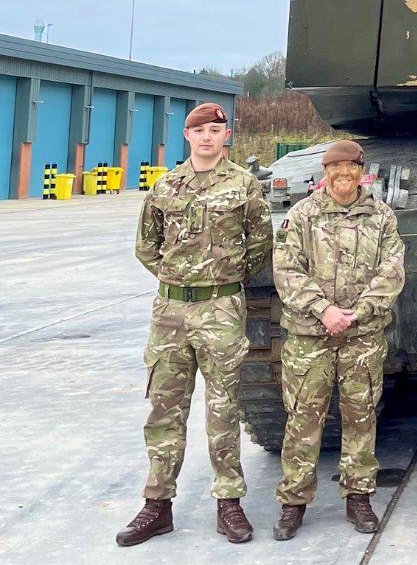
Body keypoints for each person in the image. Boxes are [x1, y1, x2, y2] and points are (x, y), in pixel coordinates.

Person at [117, 103, 272, 547]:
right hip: (170, 312)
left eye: (215, 129)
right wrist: (180, 281)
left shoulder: (243, 184)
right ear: (187, 135)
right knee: (165, 408)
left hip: (221, 307)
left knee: (223, 407)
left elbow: (261, 245)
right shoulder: (166, 186)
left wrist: (220, 283)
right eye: (199, 129)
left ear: (227, 136)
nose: (207, 137)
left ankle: (229, 502)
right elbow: (146, 247)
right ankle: (157, 503)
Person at [271, 139, 405, 541]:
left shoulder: (381, 216)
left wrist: (359, 311)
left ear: (362, 170)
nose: (343, 173)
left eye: (350, 166)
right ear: (324, 172)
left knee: (361, 416)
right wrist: (323, 310)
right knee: (302, 419)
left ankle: (359, 496)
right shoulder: (302, 215)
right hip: (311, 336)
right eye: (335, 167)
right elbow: (287, 268)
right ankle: (294, 501)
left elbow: (393, 268)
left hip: (361, 334)